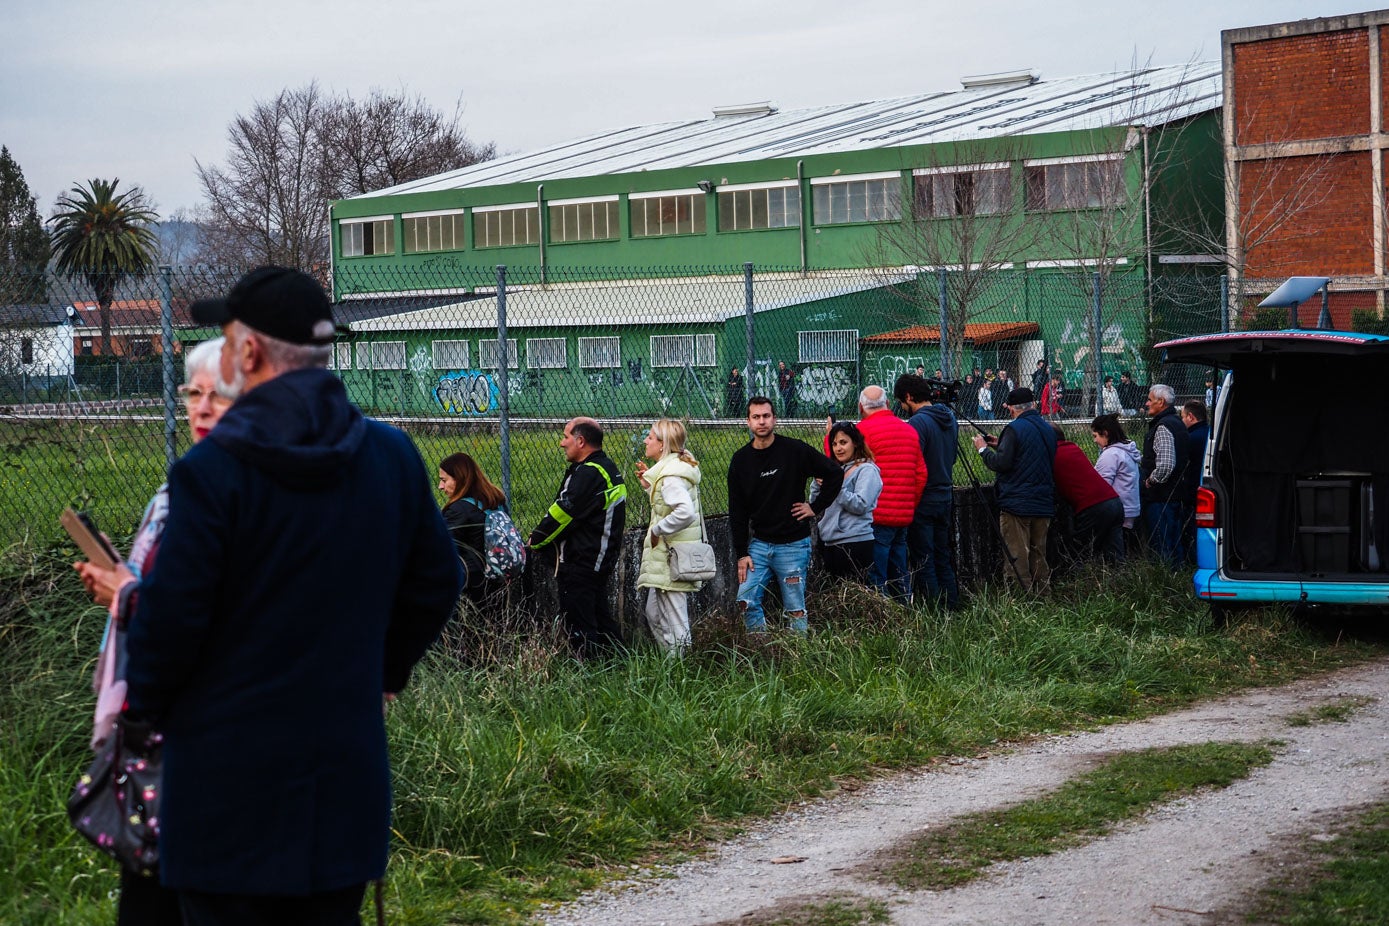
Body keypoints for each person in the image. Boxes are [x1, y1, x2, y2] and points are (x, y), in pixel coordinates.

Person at [121, 265, 464, 924]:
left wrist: (143, 712)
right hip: (341, 785)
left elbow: (171, 621)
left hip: (225, 795)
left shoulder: (212, 473)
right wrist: (384, 670)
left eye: (224, 341)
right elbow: (438, 580)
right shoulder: (390, 455)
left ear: (248, 352)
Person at [72, 338, 231, 926]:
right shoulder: (177, 488)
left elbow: (212, 612)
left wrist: (130, 596)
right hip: (155, 719)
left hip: (202, 730)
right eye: (194, 393)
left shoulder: (233, 494)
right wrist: (124, 584)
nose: (202, 407)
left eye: (221, 395)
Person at [728, 396, 843, 633]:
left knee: (794, 608)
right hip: (758, 546)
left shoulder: (794, 450)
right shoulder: (740, 460)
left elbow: (834, 473)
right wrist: (741, 553)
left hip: (793, 544)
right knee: (746, 601)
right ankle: (762, 652)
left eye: (766, 416)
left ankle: (797, 657)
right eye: (756, 417)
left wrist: (815, 506)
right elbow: (736, 510)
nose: (762, 422)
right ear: (747, 422)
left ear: (775, 419)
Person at [529, 417, 628, 659]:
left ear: (580, 441)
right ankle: (620, 665)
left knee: (580, 626)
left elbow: (562, 513)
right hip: (596, 559)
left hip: (581, 560)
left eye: (565, 437)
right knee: (601, 620)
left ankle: (589, 674)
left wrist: (536, 541)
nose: (562, 444)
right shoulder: (605, 468)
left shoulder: (588, 474)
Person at [973, 387, 1058, 593]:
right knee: (1039, 553)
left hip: (1017, 503)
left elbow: (1002, 463)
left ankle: (1022, 598)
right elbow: (1028, 455)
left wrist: (983, 449)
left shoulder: (1014, 429)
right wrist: (1002, 444)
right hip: (1044, 501)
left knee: (1017, 555)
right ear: (1033, 405)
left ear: (1011, 409)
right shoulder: (1048, 429)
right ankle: (1043, 594)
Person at [633, 418, 706, 655]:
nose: (646, 440)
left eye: (651, 437)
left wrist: (656, 530)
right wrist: (649, 484)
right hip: (669, 556)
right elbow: (666, 504)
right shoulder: (671, 469)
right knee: (654, 614)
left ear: (663, 445)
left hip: (672, 557)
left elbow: (684, 512)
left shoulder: (671, 477)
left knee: (675, 620)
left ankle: (680, 672)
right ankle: (672, 663)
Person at [854, 385, 927, 601]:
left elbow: (839, 461)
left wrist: (830, 437)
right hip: (902, 514)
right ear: (887, 404)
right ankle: (905, 608)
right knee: (899, 567)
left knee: (877, 572)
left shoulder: (860, 433)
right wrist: (909, 505)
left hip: (875, 514)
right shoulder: (909, 430)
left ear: (861, 407)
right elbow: (921, 474)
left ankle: (884, 616)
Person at [896, 373, 960, 610]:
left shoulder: (917, 424)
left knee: (924, 558)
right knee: (943, 554)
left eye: (902, 402)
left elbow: (914, 464)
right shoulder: (949, 417)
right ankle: (951, 604)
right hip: (945, 492)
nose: (903, 407)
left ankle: (934, 608)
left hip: (924, 496)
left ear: (909, 397)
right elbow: (952, 457)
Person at [810, 421, 880, 581]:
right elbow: (817, 505)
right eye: (834, 444)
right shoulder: (836, 471)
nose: (838, 448)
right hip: (829, 542)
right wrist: (817, 484)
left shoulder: (867, 470)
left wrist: (836, 488)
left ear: (855, 443)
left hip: (855, 542)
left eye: (843, 442)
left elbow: (860, 504)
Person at [438, 452, 509, 603]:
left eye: (444, 480)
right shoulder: (496, 501)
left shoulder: (459, 509)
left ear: (459, 479)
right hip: (498, 582)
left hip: (469, 587)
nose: (440, 486)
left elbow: (442, 550)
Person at [1050, 424, 1125, 562]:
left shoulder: (1051, 454)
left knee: (1081, 551)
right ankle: (1120, 579)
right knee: (1114, 552)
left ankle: (1082, 579)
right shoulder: (1072, 447)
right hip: (1114, 501)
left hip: (1093, 507)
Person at [1141, 383, 1189, 566]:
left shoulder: (1163, 427)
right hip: (1175, 493)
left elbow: (1166, 464)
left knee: (1162, 544)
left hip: (1161, 496)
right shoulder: (1177, 423)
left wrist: (1151, 481)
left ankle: (1165, 577)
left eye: (1150, 400)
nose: (1147, 403)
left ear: (1161, 402)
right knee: (1174, 540)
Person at [1092, 414, 1142, 544]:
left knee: (1116, 545)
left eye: (1095, 436)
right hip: (1131, 506)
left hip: (1118, 509)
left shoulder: (1110, 455)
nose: (1095, 440)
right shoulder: (1127, 451)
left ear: (1105, 433)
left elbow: (1101, 485)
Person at [1179, 399, 1210, 564]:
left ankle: (1192, 561)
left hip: (1193, 492)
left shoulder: (1190, 439)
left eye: (1183, 417)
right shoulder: (1212, 434)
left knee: (1192, 530)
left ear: (1191, 417)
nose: (1182, 421)